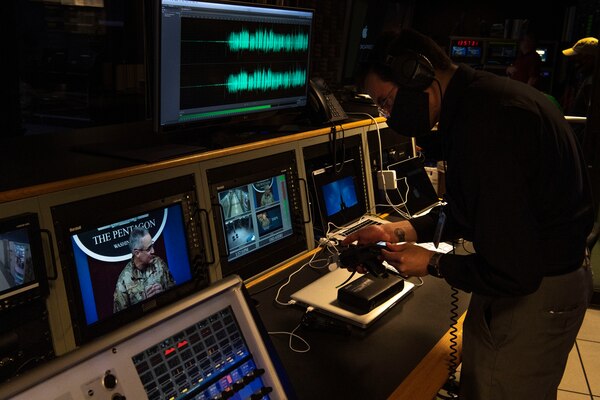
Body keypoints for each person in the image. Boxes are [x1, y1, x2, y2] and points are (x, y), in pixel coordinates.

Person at [344, 28, 594, 399]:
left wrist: (432, 264)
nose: (388, 115)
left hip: (536, 291)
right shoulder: (484, 100)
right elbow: (471, 210)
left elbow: (513, 272)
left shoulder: (489, 125)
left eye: (387, 102)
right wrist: (401, 231)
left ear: (418, 74)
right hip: (543, 279)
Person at [113, 227, 176, 313]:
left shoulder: (159, 263)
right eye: (149, 248)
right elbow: (120, 319)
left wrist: (163, 294)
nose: (153, 251)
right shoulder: (123, 281)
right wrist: (143, 304)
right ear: (137, 253)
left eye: (152, 246)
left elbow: (175, 293)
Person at [562, 37, 598, 117]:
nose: (574, 61)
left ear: (589, 58)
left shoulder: (591, 82)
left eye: (577, 57)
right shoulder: (586, 79)